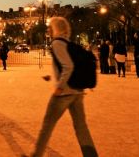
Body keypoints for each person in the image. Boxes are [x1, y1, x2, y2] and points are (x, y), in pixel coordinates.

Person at [29, 16, 98, 157]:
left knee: (47, 126)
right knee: (81, 128)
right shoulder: (68, 43)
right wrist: (51, 76)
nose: (48, 29)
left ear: (56, 28)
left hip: (64, 94)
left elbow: (68, 66)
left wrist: (59, 86)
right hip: (77, 92)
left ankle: (36, 155)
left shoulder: (57, 43)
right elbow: (64, 65)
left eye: (50, 27)